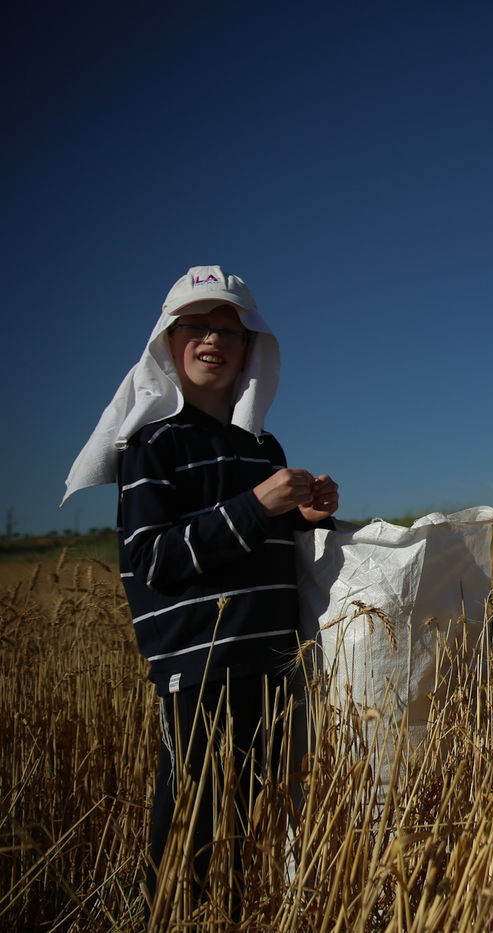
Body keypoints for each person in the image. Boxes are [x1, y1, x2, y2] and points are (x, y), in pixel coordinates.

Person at [62, 266, 339, 914]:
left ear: (251, 348)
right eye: (196, 327)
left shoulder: (263, 446)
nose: (212, 340)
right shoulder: (151, 444)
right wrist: (255, 505)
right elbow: (153, 557)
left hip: (276, 664)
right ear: (168, 340)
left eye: (227, 330)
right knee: (194, 826)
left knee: (262, 829)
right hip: (200, 667)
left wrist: (306, 515)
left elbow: (266, 541)